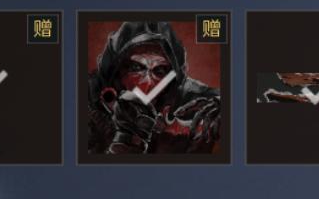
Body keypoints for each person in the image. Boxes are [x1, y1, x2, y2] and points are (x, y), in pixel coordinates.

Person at [86, 21, 221, 154]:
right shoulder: (90, 96)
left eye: (160, 70)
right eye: (135, 68)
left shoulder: (177, 92)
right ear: (116, 71)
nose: (147, 83)